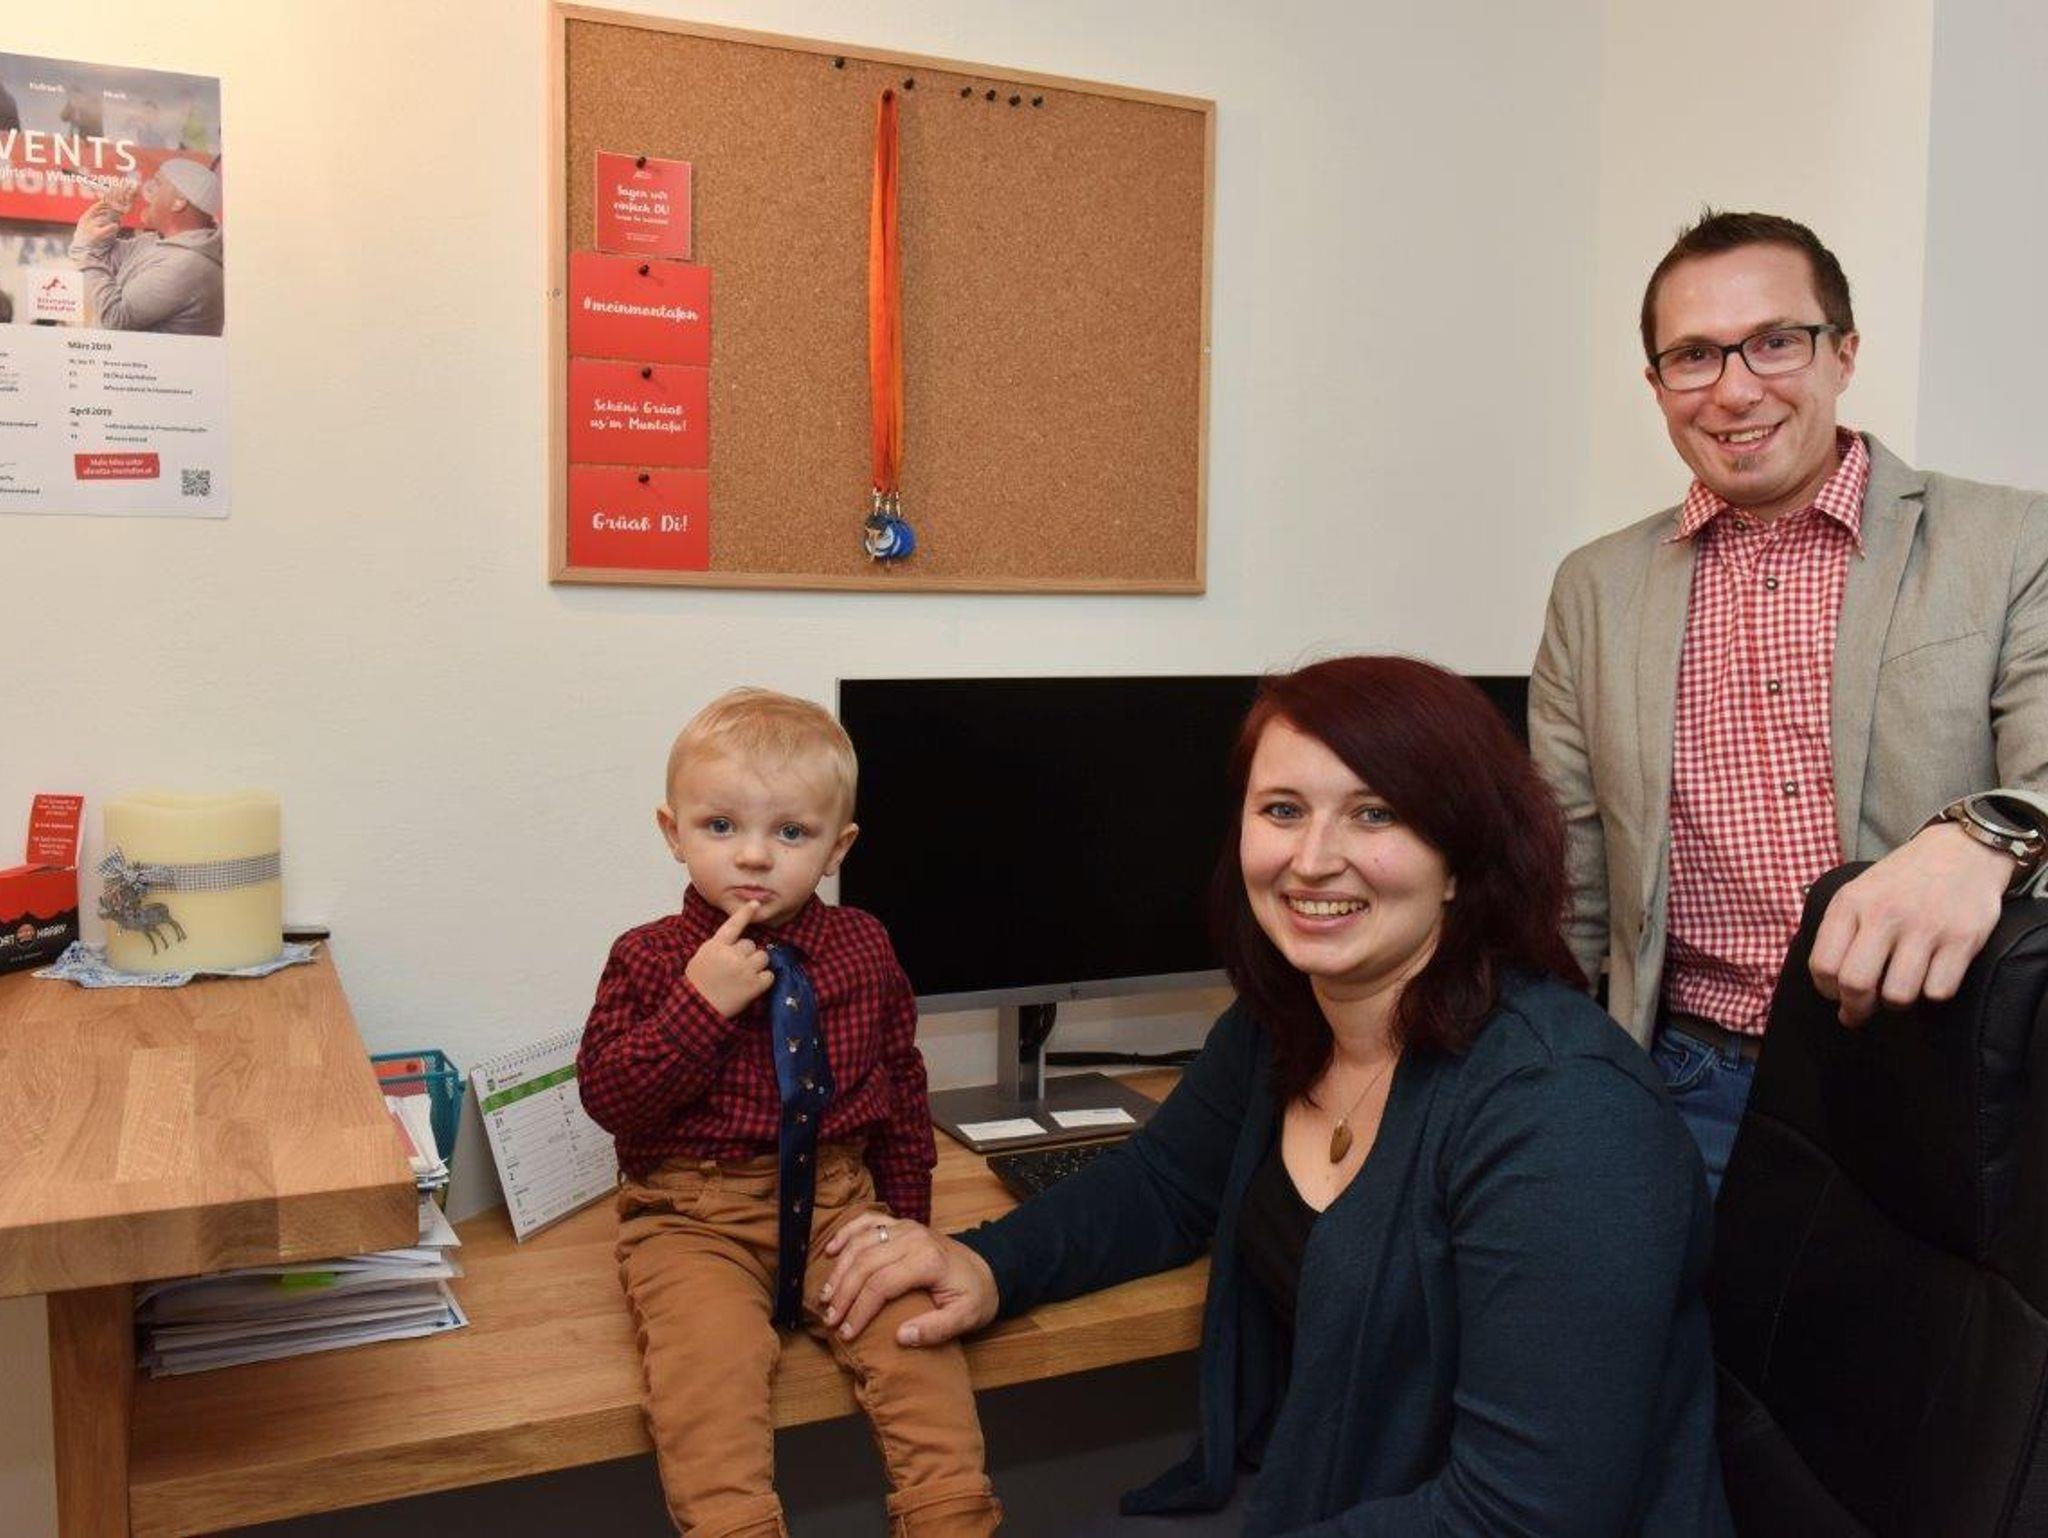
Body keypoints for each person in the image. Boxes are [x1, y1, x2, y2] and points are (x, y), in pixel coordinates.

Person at [818, 657, 1731, 1536]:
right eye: (1283, 810)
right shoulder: (1287, 1020)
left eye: (1375, 814)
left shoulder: (1567, 1114)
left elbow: (1525, 1517)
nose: (1313, 860)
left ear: (1460, 859)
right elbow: (1165, 1186)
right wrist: (988, 1265)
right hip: (1311, 1494)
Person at [1531, 209, 2048, 1191]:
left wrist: (1978, 837)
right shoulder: (1593, 588)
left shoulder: (2013, 541)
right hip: (1682, 1086)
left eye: (1774, 341)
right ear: (1655, 384)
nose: (1734, 389)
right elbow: (1567, 878)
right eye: (1693, 355)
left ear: (1842, 353)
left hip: (1949, 1079)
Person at [577, 688, 1000, 1538]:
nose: (754, 856)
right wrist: (700, 1006)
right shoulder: (650, 958)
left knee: (918, 1350)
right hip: (694, 1215)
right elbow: (609, 1098)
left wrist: (905, 1226)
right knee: (709, 1379)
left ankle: (953, 1519)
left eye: (792, 833)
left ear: (837, 847)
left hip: (839, 1202)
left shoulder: (864, 946)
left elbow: (899, 1084)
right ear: (673, 832)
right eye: (720, 825)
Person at [69, 157, 224, 336]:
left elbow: (114, 319)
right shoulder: (155, 242)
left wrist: (86, 249)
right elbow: (103, 259)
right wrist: (110, 213)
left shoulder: (188, 265)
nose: (145, 192)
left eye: (156, 184)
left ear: (179, 202)